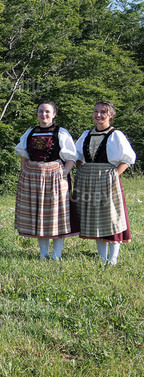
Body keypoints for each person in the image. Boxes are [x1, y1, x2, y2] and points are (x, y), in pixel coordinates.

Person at [73, 100, 136, 266]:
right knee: (95, 218)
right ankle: (102, 258)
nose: (98, 115)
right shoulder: (86, 134)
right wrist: (85, 169)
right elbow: (75, 156)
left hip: (108, 180)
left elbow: (128, 159)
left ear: (111, 115)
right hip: (88, 180)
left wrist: (113, 174)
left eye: (102, 112)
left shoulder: (116, 135)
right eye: (96, 111)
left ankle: (113, 258)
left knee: (111, 217)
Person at [14, 101, 78, 260]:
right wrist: (24, 173)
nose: (44, 114)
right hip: (33, 177)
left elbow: (71, 157)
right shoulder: (30, 132)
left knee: (57, 215)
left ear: (54, 114)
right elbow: (24, 156)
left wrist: (63, 174)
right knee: (39, 215)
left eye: (47, 112)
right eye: (41, 111)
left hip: (55, 177)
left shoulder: (61, 133)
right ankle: (43, 254)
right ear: (37, 114)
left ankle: (57, 255)